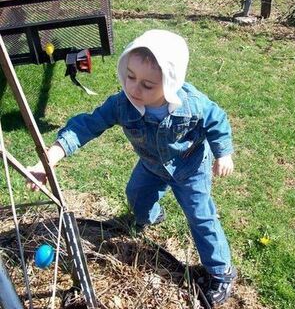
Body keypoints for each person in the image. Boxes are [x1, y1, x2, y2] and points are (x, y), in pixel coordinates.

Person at [27, 29, 237, 307]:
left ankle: (221, 272)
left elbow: (217, 120)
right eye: (130, 76)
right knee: (136, 195)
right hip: (151, 165)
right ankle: (148, 217)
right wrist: (52, 155)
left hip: (190, 167)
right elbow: (87, 125)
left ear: (171, 83)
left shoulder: (193, 105)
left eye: (148, 85)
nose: (135, 89)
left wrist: (224, 154)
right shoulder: (122, 104)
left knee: (201, 218)